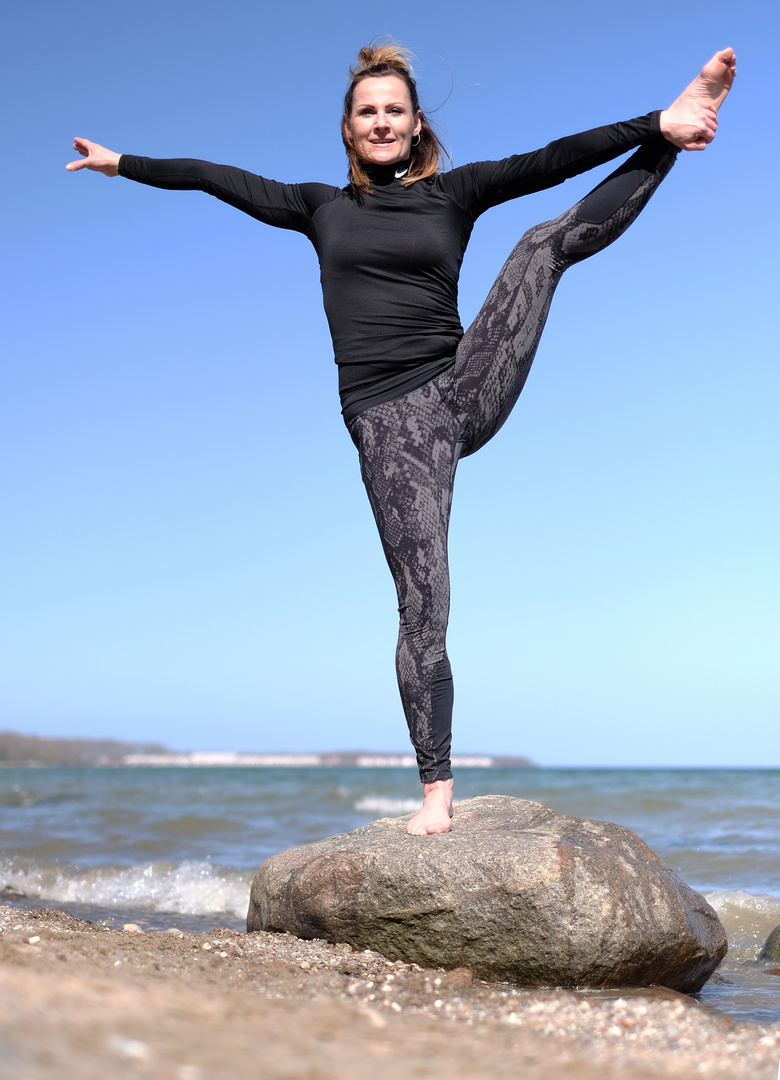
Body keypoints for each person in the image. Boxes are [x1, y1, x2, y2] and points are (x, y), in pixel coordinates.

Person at [67, 44, 736, 835]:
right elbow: (217, 178)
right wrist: (122, 164)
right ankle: (436, 791)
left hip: (462, 386)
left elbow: (556, 159)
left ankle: (677, 126)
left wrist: (654, 127)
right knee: (424, 602)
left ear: (416, 126)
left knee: (539, 246)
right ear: (348, 131)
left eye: (394, 110)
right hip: (388, 426)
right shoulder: (318, 207)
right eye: (366, 112)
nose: (381, 121)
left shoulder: (456, 194)